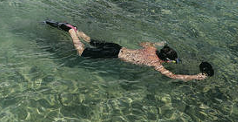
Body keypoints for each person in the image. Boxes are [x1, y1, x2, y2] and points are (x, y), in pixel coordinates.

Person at [44, 21, 213, 81]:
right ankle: (71, 30)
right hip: (114, 54)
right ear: (166, 60)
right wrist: (196, 77)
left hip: (117, 47)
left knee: (90, 40)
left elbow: (142, 42)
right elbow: (174, 76)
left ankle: (76, 29)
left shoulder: (151, 49)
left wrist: (155, 42)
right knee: (81, 52)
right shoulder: (155, 63)